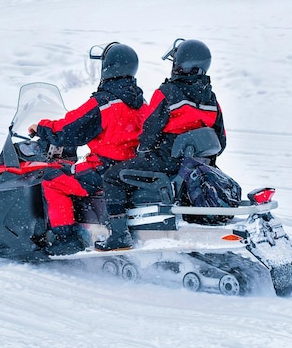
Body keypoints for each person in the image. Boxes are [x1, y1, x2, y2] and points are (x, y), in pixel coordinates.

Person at [95, 38, 226, 251]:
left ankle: (119, 235)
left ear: (179, 64)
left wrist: (143, 154)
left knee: (113, 176)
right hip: (194, 166)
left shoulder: (167, 92)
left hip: (166, 162)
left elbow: (149, 132)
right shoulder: (212, 99)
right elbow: (221, 140)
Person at [28, 42, 146, 256]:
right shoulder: (141, 104)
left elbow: (68, 129)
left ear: (107, 67)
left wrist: (42, 127)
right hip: (131, 169)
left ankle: (66, 238)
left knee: (52, 180)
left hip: (104, 169)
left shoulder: (104, 102)